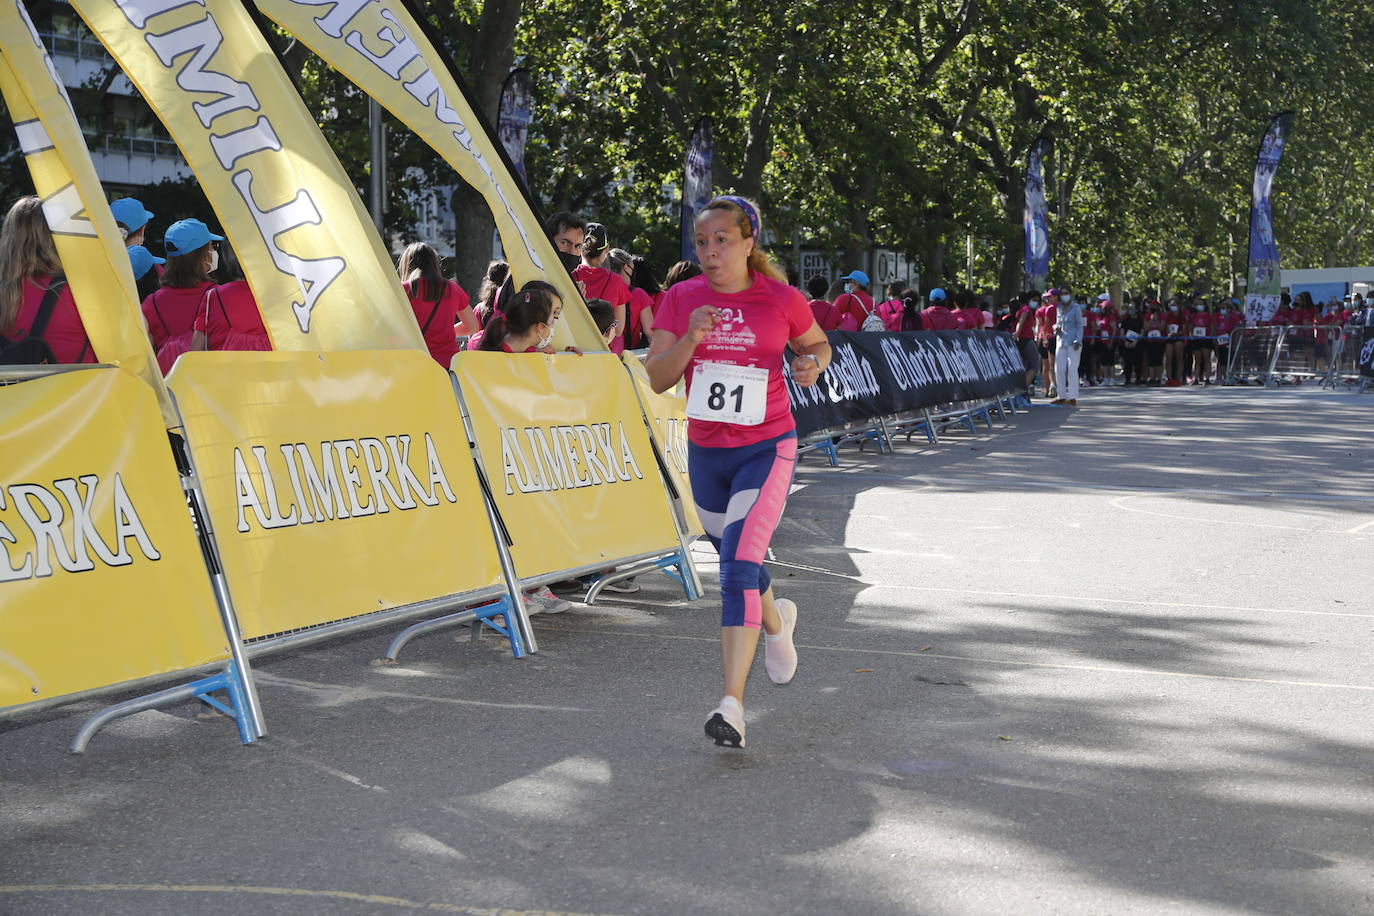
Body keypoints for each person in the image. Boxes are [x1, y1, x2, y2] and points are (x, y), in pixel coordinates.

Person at [646, 195, 830, 749]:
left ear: (749, 242)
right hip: (707, 453)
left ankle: (732, 704)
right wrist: (691, 339)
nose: (709, 251)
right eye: (701, 241)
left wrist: (810, 365)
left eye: (721, 239)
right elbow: (657, 378)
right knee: (732, 554)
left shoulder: (780, 297)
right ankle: (777, 624)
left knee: (735, 569)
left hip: (767, 447)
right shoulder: (680, 299)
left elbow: (817, 344)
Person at [0, 195, 96, 364]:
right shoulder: (81, 291)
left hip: (13, 390)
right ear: (59, 237)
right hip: (77, 388)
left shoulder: (5, 291)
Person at [144, 218, 222, 375]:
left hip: (170, 388)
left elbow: (144, 358)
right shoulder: (218, 296)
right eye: (212, 246)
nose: (214, 251)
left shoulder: (151, 302)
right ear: (203, 255)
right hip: (209, 386)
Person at [397, 242, 477, 367]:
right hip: (448, 363)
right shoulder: (452, 288)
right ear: (434, 263)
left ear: (406, 264)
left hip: (412, 362)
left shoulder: (401, 290)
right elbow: (472, 327)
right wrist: (444, 332)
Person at [192, 245, 270, 351]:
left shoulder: (213, 296)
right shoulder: (278, 295)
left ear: (227, 258)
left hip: (225, 366)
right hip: (270, 365)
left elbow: (197, 348)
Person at [572, 223, 630, 353]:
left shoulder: (569, 278)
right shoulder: (616, 281)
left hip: (572, 353)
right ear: (606, 249)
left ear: (581, 248)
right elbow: (619, 329)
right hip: (602, 355)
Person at [1052, 291, 1084, 405]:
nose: (1064, 296)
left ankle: (1072, 397)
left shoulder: (1076, 308)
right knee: (1059, 369)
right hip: (1061, 341)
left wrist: (1078, 340)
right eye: (1063, 294)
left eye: (1067, 293)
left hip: (1073, 343)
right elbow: (1057, 322)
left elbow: (1080, 325)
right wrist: (1056, 328)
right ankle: (1061, 396)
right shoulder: (1059, 308)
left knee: (1072, 369)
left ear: (1070, 294)